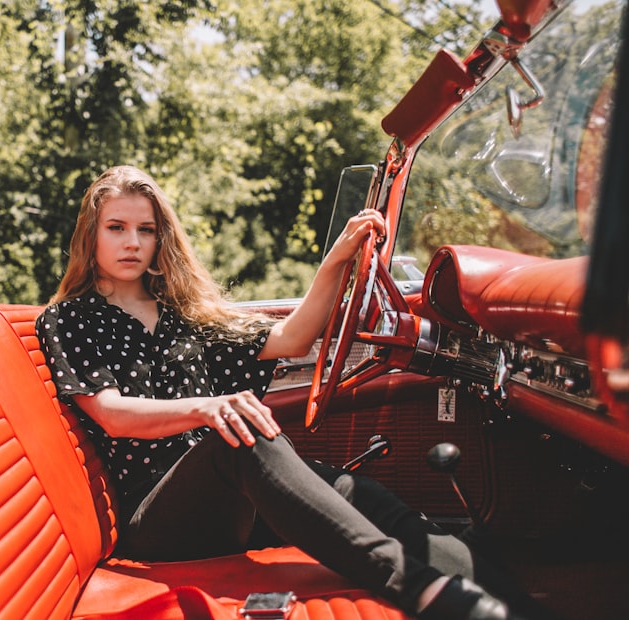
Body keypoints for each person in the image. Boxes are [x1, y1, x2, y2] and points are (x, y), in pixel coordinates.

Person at [36, 165, 548, 620]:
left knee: (355, 491)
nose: (132, 242)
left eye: (145, 230)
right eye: (117, 228)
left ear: (160, 240)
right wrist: (209, 408)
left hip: (229, 498)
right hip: (159, 519)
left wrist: (338, 260)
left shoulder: (179, 316)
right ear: (92, 237)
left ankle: (505, 600)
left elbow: (293, 338)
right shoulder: (71, 318)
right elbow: (112, 415)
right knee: (243, 433)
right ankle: (416, 588)